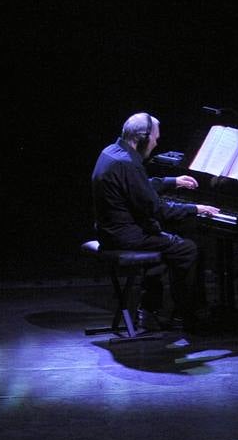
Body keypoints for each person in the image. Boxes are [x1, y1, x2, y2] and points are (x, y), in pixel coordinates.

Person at [91, 112, 219, 331]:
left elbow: (137, 187)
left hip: (109, 231)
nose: (156, 143)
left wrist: (172, 181)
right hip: (124, 237)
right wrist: (195, 208)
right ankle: (189, 316)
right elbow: (158, 210)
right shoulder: (128, 164)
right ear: (142, 137)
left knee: (162, 238)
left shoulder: (112, 152)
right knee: (187, 249)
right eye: (155, 138)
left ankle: (149, 310)